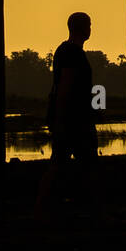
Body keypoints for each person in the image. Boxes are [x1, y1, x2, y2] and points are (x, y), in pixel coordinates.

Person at [34, 12, 98, 220]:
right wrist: (61, 119)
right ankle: (46, 207)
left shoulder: (66, 50)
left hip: (73, 118)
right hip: (73, 120)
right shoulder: (71, 52)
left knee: (65, 163)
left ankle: (47, 207)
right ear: (81, 28)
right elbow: (65, 86)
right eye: (89, 25)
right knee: (77, 164)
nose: (91, 28)